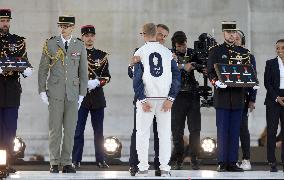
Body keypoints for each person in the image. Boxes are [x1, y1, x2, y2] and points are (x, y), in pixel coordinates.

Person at [38, 15, 88, 173]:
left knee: (70, 129)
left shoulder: (79, 45)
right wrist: (41, 90)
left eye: (66, 26)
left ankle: (66, 162)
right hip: (55, 92)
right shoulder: (51, 43)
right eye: (61, 26)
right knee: (55, 129)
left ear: (72, 27)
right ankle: (54, 161)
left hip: (73, 93)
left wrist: (82, 93)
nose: (63, 28)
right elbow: (43, 69)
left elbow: (83, 71)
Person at [207, 21, 257, 172]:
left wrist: (253, 82)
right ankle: (222, 162)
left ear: (236, 34)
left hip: (238, 97)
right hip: (222, 97)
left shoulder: (243, 53)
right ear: (224, 34)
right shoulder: (215, 51)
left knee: (235, 131)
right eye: (228, 32)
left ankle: (232, 162)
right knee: (222, 131)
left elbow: (248, 71)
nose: (231, 35)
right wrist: (216, 83)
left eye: (233, 32)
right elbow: (210, 71)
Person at [133, 23, 180, 177]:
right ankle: (165, 168)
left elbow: (137, 79)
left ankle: (143, 168)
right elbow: (176, 76)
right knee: (165, 134)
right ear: (156, 33)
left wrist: (141, 99)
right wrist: (171, 97)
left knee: (142, 134)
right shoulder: (168, 52)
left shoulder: (140, 52)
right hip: (164, 100)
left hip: (146, 99)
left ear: (144, 34)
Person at [128, 24, 169, 176]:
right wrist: (132, 64)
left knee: (154, 133)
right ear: (155, 33)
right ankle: (136, 164)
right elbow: (132, 74)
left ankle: (159, 166)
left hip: (152, 98)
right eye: (160, 34)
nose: (162, 38)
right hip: (150, 97)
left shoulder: (167, 53)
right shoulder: (140, 51)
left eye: (165, 36)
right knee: (139, 133)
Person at [72, 25, 111, 169]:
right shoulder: (75, 54)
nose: (89, 38)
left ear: (94, 37)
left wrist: (97, 82)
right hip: (81, 98)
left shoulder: (102, 55)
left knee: (99, 132)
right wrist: (82, 83)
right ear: (82, 37)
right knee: (78, 131)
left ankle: (101, 159)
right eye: (86, 35)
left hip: (97, 98)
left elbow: (107, 76)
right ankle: (76, 159)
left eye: (91, 35)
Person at [0, 8, 33, 173]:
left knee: (10, 130)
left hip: (12, 91)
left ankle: (6, 163)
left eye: (6, 21)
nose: (4, 24)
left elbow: (26, 63)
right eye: (1, 21)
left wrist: (25, 69)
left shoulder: (18, 41)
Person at [170, 31, 203, 170]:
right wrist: (184, 66)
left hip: (192, 94)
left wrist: (194, 64)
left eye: (183, 45)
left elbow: (203, 64)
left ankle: (194, 157)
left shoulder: (192, 52)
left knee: (195, 129)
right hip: (177, 95)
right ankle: (178, 158)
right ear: (174, 45)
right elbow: (168, 68)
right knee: (177, 130)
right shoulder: (169, 54)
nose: (182, 48)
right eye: (179, 46)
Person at [235, 30, 257, 170]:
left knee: (243, 128)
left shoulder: (249, 56)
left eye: (238, 38)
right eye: (234, 38)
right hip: (228, 97)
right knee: (231, 130)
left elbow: (254, 79)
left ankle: (246, 159)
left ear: (242, 41)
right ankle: (232, 159)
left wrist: (252, 99)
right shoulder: (226, 55)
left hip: (243, 96)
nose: (235, 40)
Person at [264, 39, 284, 172]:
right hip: (273, 100)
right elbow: (267, 83)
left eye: (282, 48)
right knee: (271, 132)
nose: (280, 50)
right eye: (277, 48)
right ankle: (272, 161)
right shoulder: (270, 63)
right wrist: (277, 97)